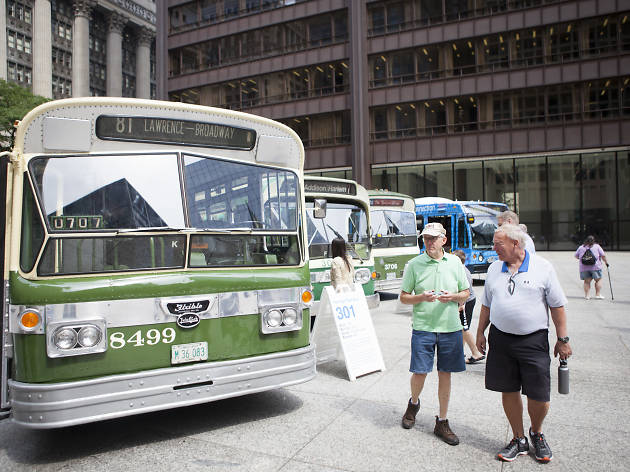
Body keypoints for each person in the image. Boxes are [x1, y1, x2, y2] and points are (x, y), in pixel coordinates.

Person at [476, 224, 572, 463]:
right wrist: (480, 332)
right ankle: (518, 438)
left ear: (515, 244)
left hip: (533, 339)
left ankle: (536, 433)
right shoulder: (494, 268)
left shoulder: (543, 268)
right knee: (508, 389)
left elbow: (557, 306)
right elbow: (487, 303)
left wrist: (562, 340)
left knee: (539, 395)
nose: (493, 248)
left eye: (498, 244)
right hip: (501, 338)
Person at [399, 222, 470, 446]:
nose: (429, 242)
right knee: (420, 372)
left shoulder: (455, 262)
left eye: (433, 238)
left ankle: (442, 420)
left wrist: (455, 297)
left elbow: (466, 292)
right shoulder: (414, 264)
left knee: (445, 374)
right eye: (426, 238)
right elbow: (403, 296)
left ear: (443, 240)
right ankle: (414, 402)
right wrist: (421, 297)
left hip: (450, 327)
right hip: (423, 328)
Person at [452, 250, 485, 364]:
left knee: (463, 327)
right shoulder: (462, 269)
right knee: (462, 328)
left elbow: (464, 291)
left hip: (465, 302)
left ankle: (476, 353)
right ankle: (458, 353)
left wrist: (461, 305)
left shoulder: (461, 271)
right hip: (467, 301)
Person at [574, 235, 609, 300]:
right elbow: (603, 256)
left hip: (584, 268)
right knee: (598, 280)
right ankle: (597, 295)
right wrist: (606, 263)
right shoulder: (597, 246)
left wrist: (584, 259)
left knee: (586, 282)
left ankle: (587, 296)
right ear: (594, 241)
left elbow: (576, 256)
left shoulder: (581, 247)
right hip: (595, 267)